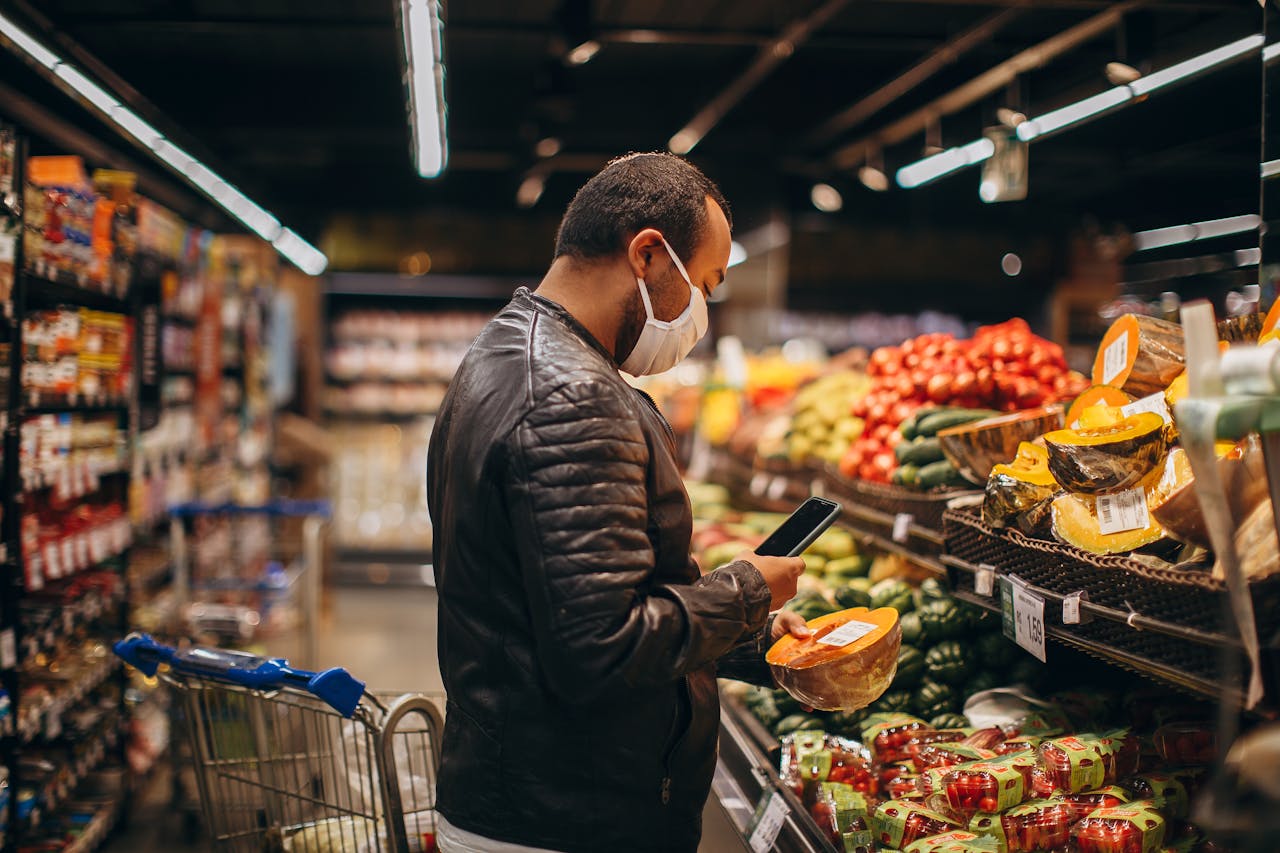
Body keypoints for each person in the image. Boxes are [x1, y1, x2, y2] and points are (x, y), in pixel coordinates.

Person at [426, 152, 810, 853]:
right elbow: (600, 648)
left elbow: (565, 607)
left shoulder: (506, 350)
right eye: (704, 284)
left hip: (525, 798)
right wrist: (746, 589)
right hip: (565, 820)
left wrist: (753, 639)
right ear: (647, 254)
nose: (700, 312)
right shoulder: (570, 394)